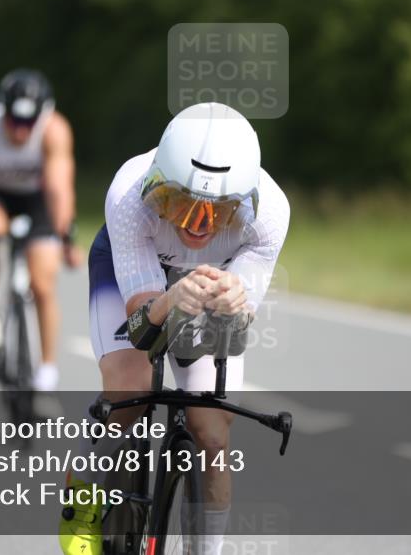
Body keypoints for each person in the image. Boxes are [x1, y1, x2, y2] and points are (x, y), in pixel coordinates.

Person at [60, 102, 290, 555]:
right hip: (133, 279)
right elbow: (141, 329)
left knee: (212, 432)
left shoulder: (270, 214)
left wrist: (236, 305)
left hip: (206, 285)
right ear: (157, 185)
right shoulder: (129, 196)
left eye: (219, 212)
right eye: (179, 202)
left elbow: (237, 329)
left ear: (244, 203)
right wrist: (169, 299)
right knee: (130, 390)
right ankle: (82, 498)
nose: (196, 225)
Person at [0, 69, 81, 392]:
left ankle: (47, 370)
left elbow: (59, 189)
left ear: (42, 115)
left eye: (28, 122)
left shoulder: (55, 129)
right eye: (13, 121)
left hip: (38, 199)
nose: (20, 130)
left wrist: (67, 238)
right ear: (3, 112)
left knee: (43, 283)